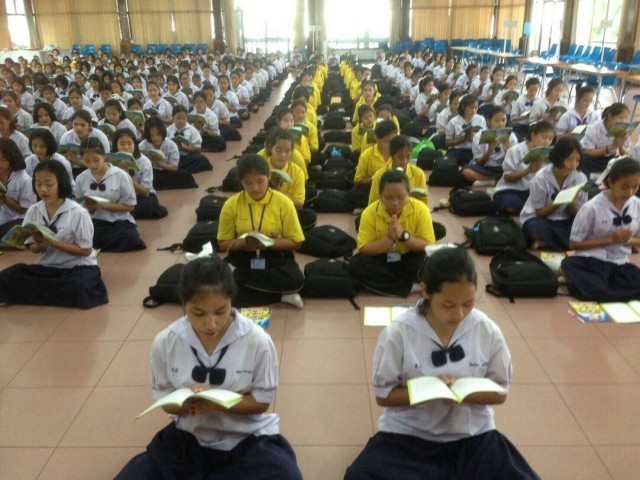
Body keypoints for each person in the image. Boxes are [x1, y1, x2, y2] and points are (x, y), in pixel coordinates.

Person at [345, 247, 540, 480]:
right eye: (448, 305)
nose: (459, 314)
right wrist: (429, 391)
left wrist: (461, 393)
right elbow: (384, 395)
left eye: (468, 304)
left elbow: (500, 392)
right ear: (426, 291)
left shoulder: (486, 330)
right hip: (408, 438)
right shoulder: (399, 333)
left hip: (472, 437)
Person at [115, 257, 303, 480]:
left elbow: (261, 402)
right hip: (190, 437)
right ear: (184, 305)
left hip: (245, 438)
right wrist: (187, 404)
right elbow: (167, 402)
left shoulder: (257, 341)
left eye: (220, 311)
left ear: (231, 301)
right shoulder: (166, 341)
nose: (211, 323)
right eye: (199, 313)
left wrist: (216, 404)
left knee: (285, 475)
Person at [0, 160, 108, 308]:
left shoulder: (78, 212)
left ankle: (38, 294)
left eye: (49, 184)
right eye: (38, 184)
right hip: (47, 267)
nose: (43, 189)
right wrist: (39, 244)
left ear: (61, 183)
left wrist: (53, 242)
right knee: (7, 276)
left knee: (79, 285)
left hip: (76, 269)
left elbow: (85, 251)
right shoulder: (34, 210)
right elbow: (32, 249)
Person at [217, 154, 306, 309]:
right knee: (217, 287)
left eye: (260, 181)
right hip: (243, 255)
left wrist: (267, 242)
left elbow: (296, 242)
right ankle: (282, 295)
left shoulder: (284, 202)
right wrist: (245, 243)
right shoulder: (231, 205)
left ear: (269, 176)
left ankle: (238, 279)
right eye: (248, 183)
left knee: (296, 280)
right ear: (241, 182)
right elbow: (223, 244)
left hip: (276, 256)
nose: (255, 188)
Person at [560, 157, 640, 302]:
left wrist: (626, 240)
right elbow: (574, 244)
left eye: (635, 187)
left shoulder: (637, 205)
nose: (630, 192)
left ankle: (579, 286)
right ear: (611, 182)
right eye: (624, 186)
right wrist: (611, 240)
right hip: (592, 261)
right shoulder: (591, 208)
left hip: (620, 263)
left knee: (603, 288)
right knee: (577, 270)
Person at [348, 169, 435, 297]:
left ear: (409, 193)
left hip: (409, 256)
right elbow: (364, 248)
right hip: (382, 258)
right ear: (380, 195)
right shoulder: (369, 213)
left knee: (432, 263)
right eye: (388, 198)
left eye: (401, 197)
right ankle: (410, 286)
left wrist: (404, 236)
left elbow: (427, 245)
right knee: (355, 266)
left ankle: (390, 284)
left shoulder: (421, 210)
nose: (395, 203)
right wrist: (389, 238)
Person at [74, 137, 146, 252]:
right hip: (95, 221)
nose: (92, 165)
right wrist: (89, 208)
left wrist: (101, 206)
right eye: (87, 161)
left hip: (118, 221)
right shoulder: (81, 178)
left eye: (96, 160)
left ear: (104, 156)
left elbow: (130, 206)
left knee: (130, 238)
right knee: (78, 236)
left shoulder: (120, 175)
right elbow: (80, 207)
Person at [520, 137, 587, 251]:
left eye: (578, 160)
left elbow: (579, 214)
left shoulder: (580, 178)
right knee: (532, 228)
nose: (574, 164)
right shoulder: (541, 178)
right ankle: (565, 242)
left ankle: (545, 242)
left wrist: (571, 200)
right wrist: (559, 201)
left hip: (565, 220)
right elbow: (540, 213)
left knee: (585, 226)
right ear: (560, 157)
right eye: (570, 159)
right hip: (542, 219)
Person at [493, 121, 555, 215]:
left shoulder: (549, 155)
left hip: (533, 191)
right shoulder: (515, 150)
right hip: (511, 190)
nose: (547, 142)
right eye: (544, 137)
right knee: (510, 207)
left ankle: (531, 209)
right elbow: (507, 178)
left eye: (550, 139)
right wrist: (529, 170)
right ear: (533, 135)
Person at [261, 128, 316, 230]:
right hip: (262, 211)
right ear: (270, 147)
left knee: (309, 216)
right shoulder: (260, 168)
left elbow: (299, 205)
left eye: (287, 151)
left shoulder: (297, 172)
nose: (283, 155)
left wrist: (278, 188)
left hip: (286, 212)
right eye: (278, 150)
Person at [112, 128, 168, 219]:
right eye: (122, 144)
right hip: (120, 198)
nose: (126, 147)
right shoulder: (112, 161)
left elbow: (145, 192)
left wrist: (126, 175)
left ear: (135, 144)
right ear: (116, 145)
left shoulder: (144, 161)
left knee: (149, 204)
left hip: (140, 197)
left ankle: (122, 211)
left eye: (129, 143)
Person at [349, 120, 398, 213]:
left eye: (394, 141)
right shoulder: (367, 155)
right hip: (372, 188)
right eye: (387, 142)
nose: (391, 145)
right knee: (355, 193)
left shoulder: (398, 154)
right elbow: (357, 180)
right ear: (377, 139)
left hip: (394, 189)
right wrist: (375, 179)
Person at [462, 107, 517, 184]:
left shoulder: (511, 136)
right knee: (466, 172)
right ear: (489, 121)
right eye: (496, 121)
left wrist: (508, 150)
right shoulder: (479, 136)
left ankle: (487, 181)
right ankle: (496, 180)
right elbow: (479, 163)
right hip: (486, 168)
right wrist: (489, 150)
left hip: (503, 168)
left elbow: (514, 162)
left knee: (521, 170)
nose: (501, 124)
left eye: (503, 120)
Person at [139, 116, 198, 190]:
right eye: (152, 135)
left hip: (166, 172)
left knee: (184, 175)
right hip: (150, 173)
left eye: (158, 134)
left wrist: (157, 162)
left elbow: (174, 167)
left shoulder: (171, 145)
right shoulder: (142, 146)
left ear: (162, 132)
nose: (155, 138)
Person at [579, 102, 631, 178]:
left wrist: (620, 145)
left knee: (627, 165)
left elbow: (626, 155)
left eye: (625, 118)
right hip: (592, 159)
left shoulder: (623, 130)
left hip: (610, 160)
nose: (623, 121)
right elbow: (587, 152)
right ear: (610, 116)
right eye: (620, 118)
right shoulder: (594, 128)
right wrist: (613, 146)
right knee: (583, 160)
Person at [0, 138, 36, 237]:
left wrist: (4, 199)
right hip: (3, 216)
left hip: (18, 218)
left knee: (19, 227)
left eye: (3, 160)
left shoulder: (24, 179)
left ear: (12, 159)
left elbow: (24, 210)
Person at [60, 110, 111, 177]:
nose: (78, 128)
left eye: (83, 125)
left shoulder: (100, 136)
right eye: (75, 124)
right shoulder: (66, 136)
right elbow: (62, 158)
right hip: (72, 169)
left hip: (97, 169)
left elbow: (106, 161)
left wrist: (78, 161)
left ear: (90, 125)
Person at [167, 105, 213, 173]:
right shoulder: (168, 130)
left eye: (183, 118)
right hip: (173, 157)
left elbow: (197, 149)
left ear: (187, 118)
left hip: (187, 156)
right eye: (178, 118)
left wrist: (183, 147)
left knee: (200, 158)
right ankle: (180, 170)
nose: (181, 121)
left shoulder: (192, 130)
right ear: (173, 118)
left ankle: (180, 170)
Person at [445, 95, 487, 166]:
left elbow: (483, 140)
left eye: (476, 107)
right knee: (448, 164)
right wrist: (464, 138)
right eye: (470, 108)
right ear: (463, 107)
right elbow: (447, 142)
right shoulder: (454, 121)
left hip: (474, 150)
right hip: (457, 150)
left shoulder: (481, 120)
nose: (473, 110)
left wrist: (472, 137)